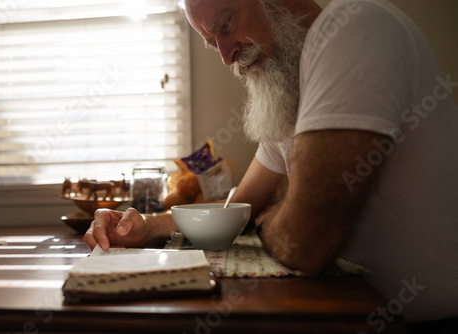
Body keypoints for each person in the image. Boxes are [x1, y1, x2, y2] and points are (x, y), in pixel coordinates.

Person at [84, 0, 458, 329]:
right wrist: (145, 226)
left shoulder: (354, 28)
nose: (226, 56)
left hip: (424, 320)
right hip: (354, 305)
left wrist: (268, 221)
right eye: (213, 42)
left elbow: (305, 243)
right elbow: (238, 209)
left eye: (226, 25)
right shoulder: (294, 84)